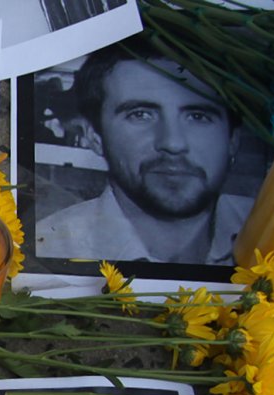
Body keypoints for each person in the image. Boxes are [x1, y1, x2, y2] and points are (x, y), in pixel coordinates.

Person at [36, 37, 252, 265]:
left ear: (233, 139)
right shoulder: (46, 249)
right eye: (140, 115)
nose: (173, 143)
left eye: (198, 116)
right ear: (94, 137)